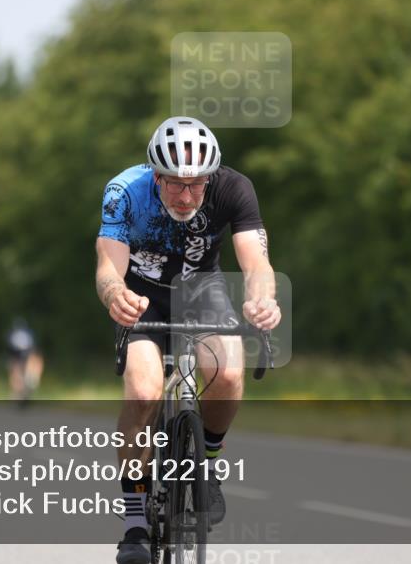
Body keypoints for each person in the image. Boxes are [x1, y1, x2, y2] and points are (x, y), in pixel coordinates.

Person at [96, 116, 281, 564]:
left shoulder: (234, 189)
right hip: (142, 293)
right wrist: (115, 294)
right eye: (174, 184)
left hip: (202, 290)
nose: (185, 195)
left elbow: (257, 264)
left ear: (211, 178)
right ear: (155, 176)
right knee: (143, 391)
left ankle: (208, 465)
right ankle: (135, 522)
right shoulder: (125, 191)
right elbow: (107, 264)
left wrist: (262, 302)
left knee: (229, 371)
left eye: (196, 185)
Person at [5, 317, 44, 401]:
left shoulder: (14, 334)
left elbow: (9, 348)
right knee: (17, 373)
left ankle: (22, 389)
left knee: (17, 372)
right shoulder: (28, 334)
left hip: (20, 357)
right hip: (21, 356)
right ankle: (21, 390)